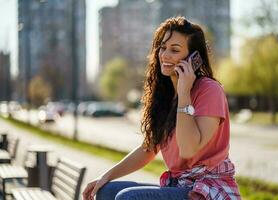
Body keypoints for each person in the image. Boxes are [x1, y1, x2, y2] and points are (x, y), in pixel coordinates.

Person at [82, 16, 241, 200]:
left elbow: (188, 149)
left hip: (207, 189)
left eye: (174, 50)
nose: (165, 55)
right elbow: (148, 149)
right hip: (178, 185)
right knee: (106, 191)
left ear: (193, 58)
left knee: (128, 198)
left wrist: (184, 93)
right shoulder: (165, 95)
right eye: (162, 48)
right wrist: (105, 176)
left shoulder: (209, 90)